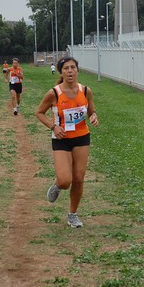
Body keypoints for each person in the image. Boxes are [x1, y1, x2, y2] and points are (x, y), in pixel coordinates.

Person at [35, 57, 99, 228]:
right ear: (61, 72)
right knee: (65, 180)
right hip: (61, 139)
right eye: (66, 68)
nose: (70, 71)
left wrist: (93, 116)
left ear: (77, 70)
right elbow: (39, 113)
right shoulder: (54, 93)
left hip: (81, 137)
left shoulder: (86, 91)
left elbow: (91, 110)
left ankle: (72, 214)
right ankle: (57, 186)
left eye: (72, 68)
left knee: (78, 178)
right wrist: (53, 127)